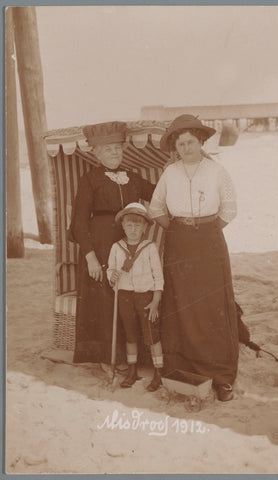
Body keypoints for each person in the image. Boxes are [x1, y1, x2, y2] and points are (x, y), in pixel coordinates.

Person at [148, 114, 239, 401]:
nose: (186, 148)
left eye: (190, 142)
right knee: (181, 303)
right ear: (175, 147)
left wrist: (205, 230)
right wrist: (180, 229)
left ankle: (222, 376)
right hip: (179, 242)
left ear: (201, 142)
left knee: (213, 304)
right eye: (180, 143)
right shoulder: (170, 172)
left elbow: (230, 209)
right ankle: (182, 366)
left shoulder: (216, 171)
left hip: (210, 241)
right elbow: (156, 208)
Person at [69, 122, 155, 364]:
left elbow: (157, 194)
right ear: (96, 153)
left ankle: (133, 358)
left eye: (118, 148)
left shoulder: (133, 178)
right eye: (108, 150)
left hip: (130, 244)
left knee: (130, 297)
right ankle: (107, 358)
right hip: (100, 249)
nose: (115, 154)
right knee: (105, 303)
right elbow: (78, 223)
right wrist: (91, 258)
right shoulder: (89, 180)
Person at [107, 203, 164, 392]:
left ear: (145, 228)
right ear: (123, 226)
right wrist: (111, 275)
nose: (133, 230)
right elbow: (111, 269)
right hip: (124, 295)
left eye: (138, 226)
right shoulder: (117, 247)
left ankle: (158, 373)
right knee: (130, 334)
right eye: (129, 225)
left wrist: (155, 301)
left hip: (146, 297)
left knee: (151, 335)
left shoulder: (149, 248)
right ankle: (132, 371)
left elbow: (158, 276)